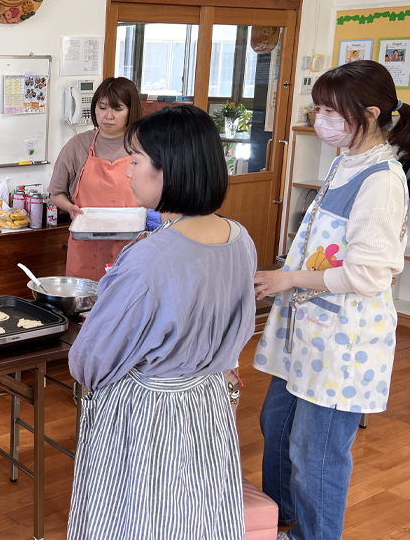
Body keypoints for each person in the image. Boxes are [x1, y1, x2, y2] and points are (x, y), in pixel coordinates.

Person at [66, 105, 255, 539]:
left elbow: (91, 359)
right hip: (207, 405)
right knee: (197, 512)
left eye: (136, 161)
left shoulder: (150, 257)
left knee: (138, 514)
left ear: (166, 171)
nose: (127, 172)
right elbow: (240, 327)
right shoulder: (239, 239)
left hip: (148, 413)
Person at [253, 60, 410, 540]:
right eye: (317, 107)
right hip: (310, 328)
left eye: (329, 110)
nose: (319, 118)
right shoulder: (347, 161)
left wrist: (289, 278)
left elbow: (368, 273)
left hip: (345, 340)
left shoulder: (382, 180)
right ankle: (276, 523)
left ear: (370, 113)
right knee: (276, 425)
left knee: (315, 454)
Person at [48, 76, 158, 281]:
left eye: (117, 109)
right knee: (86, 308)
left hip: (132, 247)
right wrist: (70, 207)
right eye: (102, 107)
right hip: (86, 247)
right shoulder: (77, 146)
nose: (108, 116)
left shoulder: (145, 145)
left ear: (130, 110)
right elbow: (56, 192)